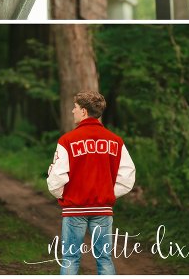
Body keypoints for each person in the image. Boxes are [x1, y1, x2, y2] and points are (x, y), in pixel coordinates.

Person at [47, 91, 136, 275]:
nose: (72, 111)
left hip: (74, 209)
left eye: (76, 107)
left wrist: (64, 195)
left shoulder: (67, 140)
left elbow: (57, 177)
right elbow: (127, 176)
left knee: (71, 258)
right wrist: (108, 194)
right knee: (104, 258)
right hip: (103, 208)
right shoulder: (115, 141)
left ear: (84, 112)